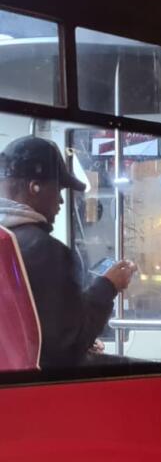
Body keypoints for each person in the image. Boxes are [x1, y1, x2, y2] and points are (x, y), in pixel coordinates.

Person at [0, 135, 136, 369]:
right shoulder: (46, 252)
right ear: (35, 188)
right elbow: (68, 348)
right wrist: (109, 285)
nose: (61, 201)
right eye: (59, 190)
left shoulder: (8, 241)